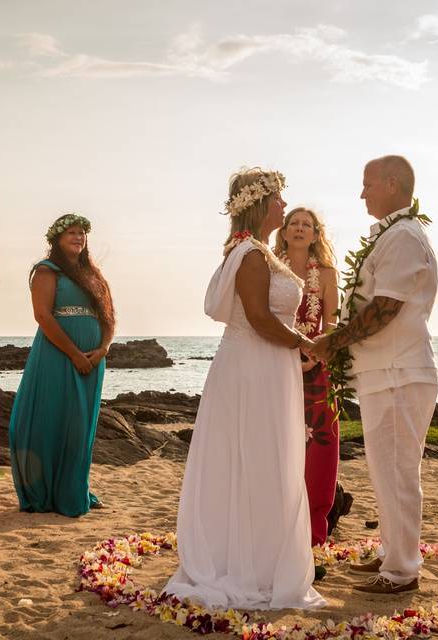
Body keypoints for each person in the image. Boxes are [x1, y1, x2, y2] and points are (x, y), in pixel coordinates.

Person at [164, 168, 325, 611]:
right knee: (256, 456)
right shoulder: (251, 254)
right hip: (254, 368)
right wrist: (306, 343)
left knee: (261, 457)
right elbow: (258, 317)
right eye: (278, 199)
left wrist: (297, 348)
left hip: (267, 366)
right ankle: (248, 564)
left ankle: (259, 555)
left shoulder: (255, 252)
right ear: (260, 204)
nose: (283, 206)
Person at [313, 155, 438, 595]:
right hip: (385, 372)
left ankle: (402, 572)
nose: (361, 193)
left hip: (399, 371)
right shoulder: (393, 235)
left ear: (391, 184)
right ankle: (391, 554)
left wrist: (334, 341)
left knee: (399, 472)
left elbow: (386, 308)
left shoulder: (403, 236)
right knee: (385, 471)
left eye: (367, 184)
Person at [8, 213, 115, 516]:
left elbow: (109, 317)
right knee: (49, 420)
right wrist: (73, 354)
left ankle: (72, 490)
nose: (78, 237)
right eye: (71, 232)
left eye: (82, 232)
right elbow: (43, 316)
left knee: (80, 428)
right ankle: (43, 492)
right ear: (57, 238)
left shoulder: (94, 275)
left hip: (93, 361)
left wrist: (103, 349)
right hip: (56, 356)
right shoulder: (47, 271)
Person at [273, 208, 340, 546]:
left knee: (318, 448)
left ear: (316, 235)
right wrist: (287, 356)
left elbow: (331, 326)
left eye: (307, 225)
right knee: (275, 444)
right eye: (294, 223)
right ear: (283, 232)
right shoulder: (269, 267)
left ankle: (312, 534)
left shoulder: (326, 275)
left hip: (317, 369)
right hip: (274, 363)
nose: (300, 229)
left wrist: (313, 356)